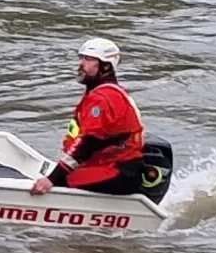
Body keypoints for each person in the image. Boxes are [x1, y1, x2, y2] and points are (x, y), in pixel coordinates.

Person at [38, 36, 150, 194]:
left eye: (89, 59)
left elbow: (88, 142)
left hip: (117, 170)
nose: (81, 64)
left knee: (61, 181)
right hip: (109, 165)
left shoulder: (103, 98)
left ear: (105, 66)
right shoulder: (103, 93)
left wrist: (53, 179)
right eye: (81, 58)